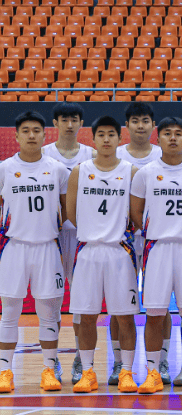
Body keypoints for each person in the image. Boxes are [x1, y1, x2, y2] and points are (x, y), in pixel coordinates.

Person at [130, 117, 182, 394]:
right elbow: (136, 212)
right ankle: (153, 373)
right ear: (159, 139)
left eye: (179, 134)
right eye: (167, 133)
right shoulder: (145, 173)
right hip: (157, 249)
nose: (173, 138)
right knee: (155, 315)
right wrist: (155, 231)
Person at [67, 116, 140, 393]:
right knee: (87, 316)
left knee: (125, 316)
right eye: (101, 134)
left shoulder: (131, 171)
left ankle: (126, 372)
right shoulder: (80, 171)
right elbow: (71, 213)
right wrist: (93, 231)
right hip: (88, 251)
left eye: (111, 134)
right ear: (93, 139)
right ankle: (88, 372)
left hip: (120, 252)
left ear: (120, 139)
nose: (106, 139)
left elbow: (136, 214)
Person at [0, 111, 70, 392]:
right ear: (16, 135)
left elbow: (67, 208)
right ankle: (5, 371)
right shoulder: (5, 168)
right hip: (14, 247)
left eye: (36, 130)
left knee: (48, 313)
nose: (31, 135)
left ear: (44, 134)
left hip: (47, 247)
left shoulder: (58, 169)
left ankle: (49, 370)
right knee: (9, 312)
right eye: (26, 130)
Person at [110, 103, 171, 386]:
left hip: (158, 237)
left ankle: (162, 361)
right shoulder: (116, 156)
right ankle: (119, 363)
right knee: (118, 304)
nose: (140, 126)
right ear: (127, 126)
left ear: (153, 126)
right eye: (135, 121)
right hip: (121, 238)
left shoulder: (164, 155)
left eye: (145, 120)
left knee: (160, 305)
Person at [43, 102, 94, 384]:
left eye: (74, 119)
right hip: (51, 234)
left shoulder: (92, 156)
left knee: (81, 300)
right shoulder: (43, 155)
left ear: (81, 123)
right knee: (51, 298)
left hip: (82, 233)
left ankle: (78, 358)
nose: (70, 124)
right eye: (64, 119)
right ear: (55, 123)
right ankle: (52, 363)